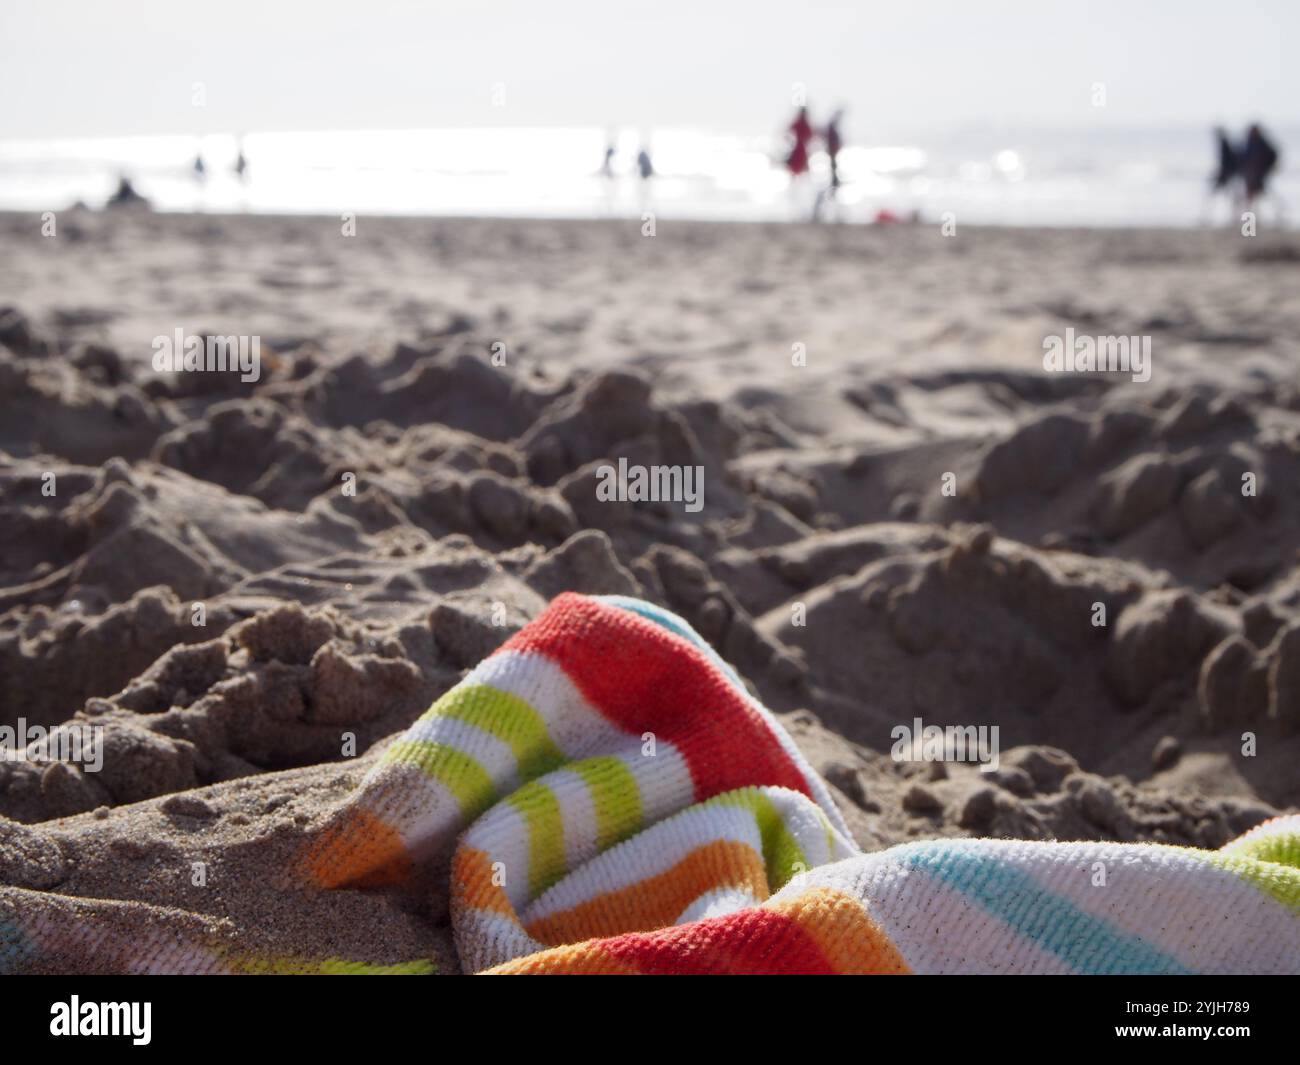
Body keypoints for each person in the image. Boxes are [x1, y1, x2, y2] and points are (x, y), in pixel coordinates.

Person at [1239, 123, 1279, 208]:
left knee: (1260, 193)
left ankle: (1251, 211)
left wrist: (1267, 168)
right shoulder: (1251, 142)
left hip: (1257, 173)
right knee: (1254, 193)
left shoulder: (1260, 143)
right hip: (1252, 173)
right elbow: (1244, 157)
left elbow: (1272, 155)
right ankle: (1250, 211)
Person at [785, 105, 814, 179]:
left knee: (798, 170)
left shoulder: (803, 123)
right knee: (797, 169)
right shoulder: (801, 123)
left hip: (800, 149)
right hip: (798, 149)